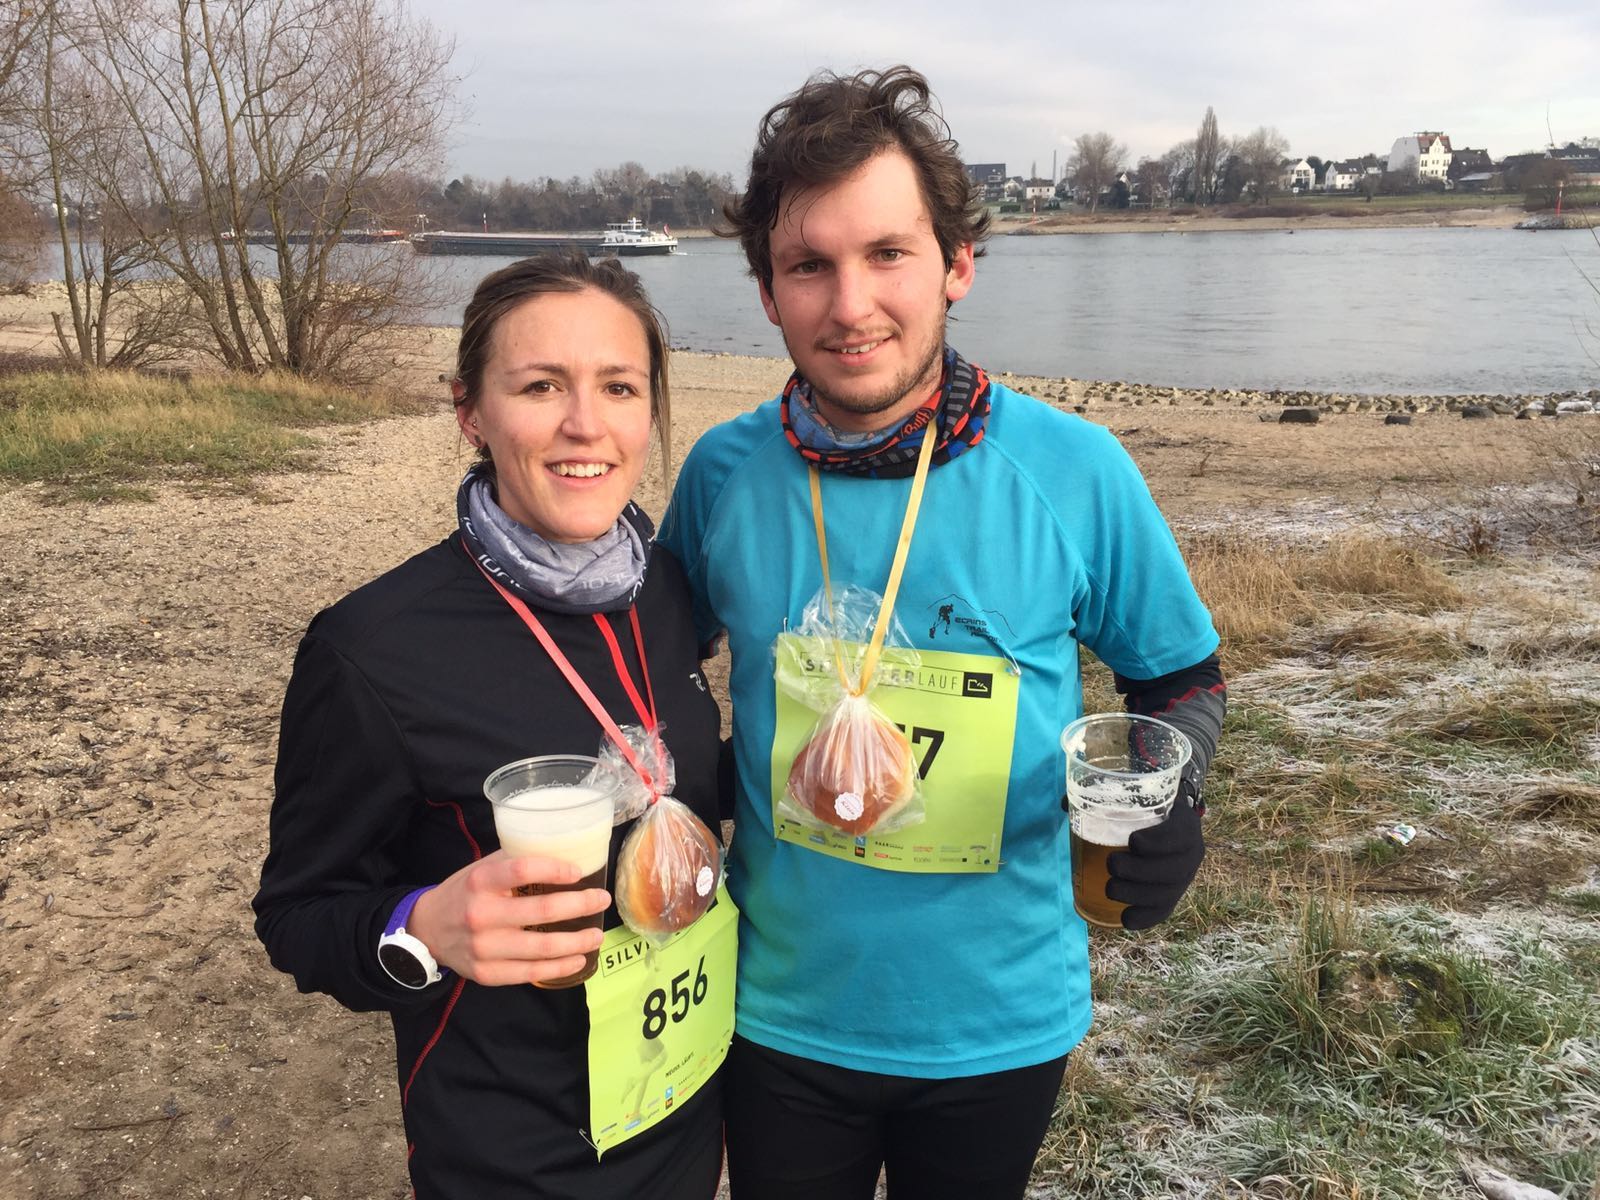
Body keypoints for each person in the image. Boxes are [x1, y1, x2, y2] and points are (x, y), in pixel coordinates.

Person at [660, 66, 1227, 1199]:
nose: (850, 304)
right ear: (767, 293)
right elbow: (649, 673)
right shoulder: (724, 472)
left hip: (997, 1021)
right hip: (775, 1009)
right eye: (808, 266)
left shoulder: (1072, 470)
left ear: (957, 264)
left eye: (888, 253)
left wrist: (1175, 800)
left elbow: (1179, 680)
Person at [254, 253, 731, 1199]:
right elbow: (297, 915)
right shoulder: (374, 649)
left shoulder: (668, 588)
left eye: (619, 386)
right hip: (516, 1156)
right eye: (541, 386)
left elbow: (677, 785)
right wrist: (422, 926)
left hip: (687, 1104)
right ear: (470, 410)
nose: (586, 424)